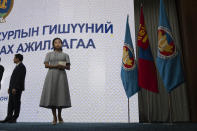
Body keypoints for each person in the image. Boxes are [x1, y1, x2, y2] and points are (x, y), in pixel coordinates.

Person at [40, 37, 71, 125]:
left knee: (60, 95)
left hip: (61, 76)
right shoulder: (49, 54)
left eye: (59, 42)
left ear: (62, 44)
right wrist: (56, 66)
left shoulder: (65, 55)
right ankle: (54, 117)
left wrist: (63, 67)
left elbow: (68, 67)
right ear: (53, 44)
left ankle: (60, 115)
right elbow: (46, 65)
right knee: (52, 95)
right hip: (51, 75)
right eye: (56, 42)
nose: (58, 44)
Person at [0, 54, 26, 123]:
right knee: (10, 103)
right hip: (12, 88)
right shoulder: (17, 66)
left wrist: (15, 88)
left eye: (14, 58)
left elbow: (20, 78)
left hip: (16, 88)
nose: (13, 59)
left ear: (18, 59)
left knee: (16, 103)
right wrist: (10, 87)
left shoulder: (22, 67)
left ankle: (14, 118)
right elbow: (13, 79)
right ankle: (8, 117)